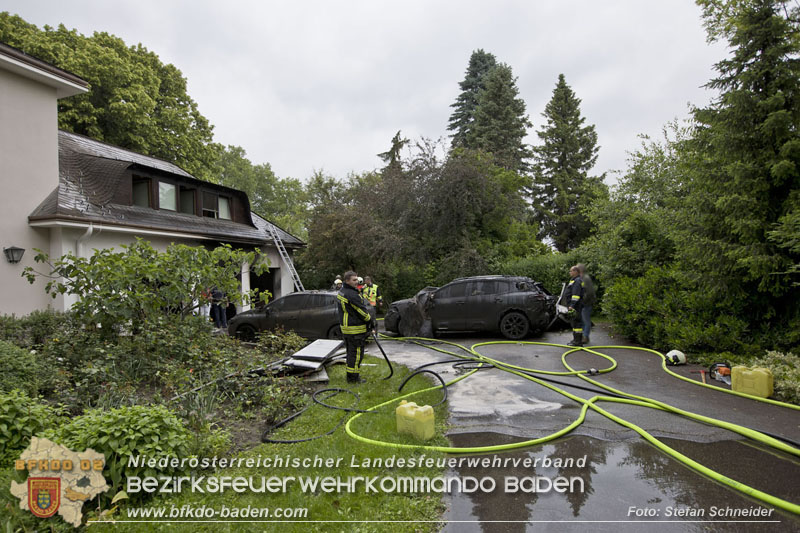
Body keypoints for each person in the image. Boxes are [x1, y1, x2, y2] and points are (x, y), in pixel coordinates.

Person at [337, 271, 376, 384]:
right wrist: (371, 322)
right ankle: (354, 379)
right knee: (357, 355)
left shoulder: (342, 292)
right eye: (354, 280)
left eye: (357, 279)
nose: (356, 282)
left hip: (346, 329)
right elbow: (362, 312)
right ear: (347, 281)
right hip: (355, 330)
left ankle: (350, 376)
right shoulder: (352, 295)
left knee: (351, 354)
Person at [576, 263, 596, 345]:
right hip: (583, 304)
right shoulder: (581, 278)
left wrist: (583, 301)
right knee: (583, 320)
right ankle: (584, 336)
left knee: (586, 320)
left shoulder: (586, 278)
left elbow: (589, 292)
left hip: (586, 303)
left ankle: (585, 336)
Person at [565, 265, 584, 347]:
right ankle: (575, 340)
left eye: (571, 271)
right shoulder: (574, 280)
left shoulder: (577, 281)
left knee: (577, 323)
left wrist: (572, 305)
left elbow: (575, 295)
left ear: (575, 272)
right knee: (574, 322)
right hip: (576, 305)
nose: (570, 272)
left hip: (576, 305)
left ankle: (577, 341)